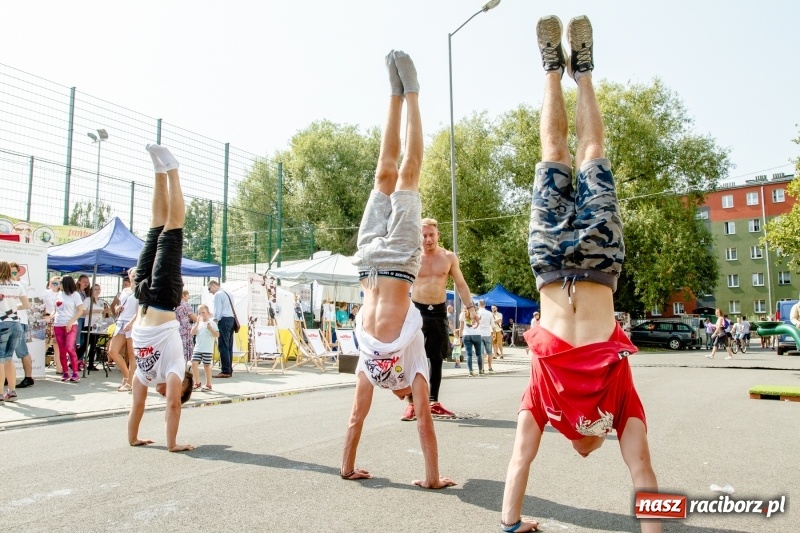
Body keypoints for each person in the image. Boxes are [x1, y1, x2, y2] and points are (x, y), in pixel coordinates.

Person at [501, 17, 660, 533]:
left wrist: (511, 525)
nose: (585, 449)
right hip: (564, 264)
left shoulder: (559, 404)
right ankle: (570, 71)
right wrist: (508, 524)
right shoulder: (604, 402)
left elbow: (642, 469)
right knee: (569, 155)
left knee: (576, 155)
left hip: (571, 265)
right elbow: (640, 470)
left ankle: (566, 70)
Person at [340, 50, 454, 489]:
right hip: (383, 264)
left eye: (407, 394)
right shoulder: (391, 365)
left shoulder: (384, 366)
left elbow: (365, 417)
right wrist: (429, 479)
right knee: (397, 173)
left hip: (379, 262)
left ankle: (401, 94)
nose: (409, 396)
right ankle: (405, 94)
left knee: (395, 173)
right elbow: (369, 419)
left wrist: (432, 478)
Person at [127, 143, 195, 453]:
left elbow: (136, 405)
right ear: (182, 386)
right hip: (165, 297)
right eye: (176, 391)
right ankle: (173, 170)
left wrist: (133, 438)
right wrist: (172, 444)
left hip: (141, 296)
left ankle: (157, 171)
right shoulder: (176, 366)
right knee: (172, 230)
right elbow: (173, 408)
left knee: (155, 228)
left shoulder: (145, 373)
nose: (167, 394)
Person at [405, 218, 478, 420]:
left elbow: (461, 284)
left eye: (431, 235)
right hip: (416, 311)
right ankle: (411, 404)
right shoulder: (412, 257)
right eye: (424, 235)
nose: (428, 239)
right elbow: (400, 283)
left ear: (438, 235)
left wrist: (470, 308)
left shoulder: (448, 257)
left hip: (438, 312)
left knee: (436, 358)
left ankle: (433, 401)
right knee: (412, 358)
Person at [0, 261, 30, 401]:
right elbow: (26, 305)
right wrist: (12, 308)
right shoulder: (17, 285)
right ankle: (12, 391)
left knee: (0, 359)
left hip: (1, 323)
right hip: (16, 323)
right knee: (8, 359)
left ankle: (0, 393)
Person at [108, 268, 137, 391]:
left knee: (131, 355)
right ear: (129, 276)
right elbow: (115, 307)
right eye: (133, 275)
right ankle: (127, 377)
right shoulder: (124, 291)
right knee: (112, 351)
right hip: (120, 323)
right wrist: (118, 308)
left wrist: (131, 323)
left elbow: (141, 311)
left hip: (133, 324)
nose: (135, 277)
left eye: (137, 275)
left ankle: (130, 382)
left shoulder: (141, 291)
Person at [53, 275, 84, 382]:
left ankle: (75, 372)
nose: (58, 285)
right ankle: (65, 372)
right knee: (61, 350)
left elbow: (80, 310)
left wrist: (70, 322)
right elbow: (55, 310)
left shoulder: (75, 295)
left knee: (70, 347)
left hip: (71, 325)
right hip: (58, 325)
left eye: (60, 283)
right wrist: (49, 316)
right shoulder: (58, 295)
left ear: (65, 283)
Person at [9, 262, 34, 387]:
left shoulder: (20, 284)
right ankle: (6, 377)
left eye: (14, 272)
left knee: (22, 351)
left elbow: (25, 304)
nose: (12, 275)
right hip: (9, 321)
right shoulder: (8, 284)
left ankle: (28, 378)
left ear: (19, 272)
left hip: (19, 321)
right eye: (10, 272)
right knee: (7, 353)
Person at [207, 279, 235, 378]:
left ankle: (225, 371)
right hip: (232, 320)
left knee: (223, 346)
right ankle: (228, 369)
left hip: (224, 320)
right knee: (229, 346)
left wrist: (213, 321)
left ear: (214, 285)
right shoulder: (228, 293)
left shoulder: (218, 295)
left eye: (209, 289)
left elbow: (217, 312)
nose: (210, 291)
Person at [83, 283, 111, 371]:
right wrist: (95, 311)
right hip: (89, 324)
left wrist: (106, 312)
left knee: (94, 345)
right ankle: (75, 360)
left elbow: (105, 314)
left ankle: (90, 364)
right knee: (86, 344)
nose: (97, 291)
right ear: (91, 290)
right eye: (95, 289)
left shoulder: (101, 301)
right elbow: (83, 312)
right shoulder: (88, 300)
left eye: (98, 289)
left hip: (98, 325)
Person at [191, 304, 218, 392]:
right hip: (198, 348)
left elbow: (217, 335)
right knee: (194, 364)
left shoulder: (212, 323)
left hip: (207, 349)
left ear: (208, 313)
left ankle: (208, 384)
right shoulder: (198, 324)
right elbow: (192, 333)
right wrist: (197, 324)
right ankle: (197, 382)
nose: (202, 314)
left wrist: (210, 329)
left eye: (203, 312)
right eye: (199, 313)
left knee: (206, 366)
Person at [43, 276, 62, 373]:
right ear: (49, 283)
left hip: (57, 321)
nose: (56, 285)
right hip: (48, 321)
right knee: (46, 343)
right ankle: (38, 366)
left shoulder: (61, 295)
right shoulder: (46, 293)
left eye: (58, 283)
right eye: (54, 283)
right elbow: (48, 307)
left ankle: (59, 367)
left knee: (57, 344)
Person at [175, 289, 196, 362]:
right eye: (188, 296)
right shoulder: (186, 305)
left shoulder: (174, 304)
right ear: (183, 295)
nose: (188, 298)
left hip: (176, 329)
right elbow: (193, 317)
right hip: (185, 330)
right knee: (185, 349)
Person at [461, 307, 483, 376]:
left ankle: (470, 371)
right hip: (477, 334)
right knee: (478, 354)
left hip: (466, 334)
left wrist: (460, 337)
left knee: (469, 354)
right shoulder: (477, 313)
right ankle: (480, 370)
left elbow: (461, 327)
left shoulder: (462, 314)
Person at [477, 300, 494, 372]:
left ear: (478, 305)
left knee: (481, 353)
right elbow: (493, 325)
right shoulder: (489, 313)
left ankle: (482, 368)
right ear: (485, 305)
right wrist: (494, 334)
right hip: (487, 333)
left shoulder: (477, 313)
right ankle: (490, 367)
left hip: (479, 334)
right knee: (489, 351)